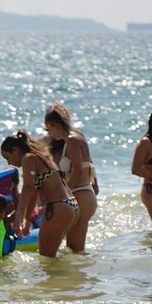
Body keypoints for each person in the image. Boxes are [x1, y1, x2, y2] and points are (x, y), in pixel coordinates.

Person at [7, 130, 76, 257]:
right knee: (53, 256)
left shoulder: (28, 158)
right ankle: (68, 277)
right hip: (70, 205)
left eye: (7, 157)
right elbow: (34, 192)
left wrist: (18, 217)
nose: (8, 163)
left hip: (57, 206)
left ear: (16, 150)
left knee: (46, 258)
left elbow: (27, 187)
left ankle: (59, 277)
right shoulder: (43, 157)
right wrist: (27, 219)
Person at [45, 103, 97, 252]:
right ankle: (76, 275)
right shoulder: (76, 136)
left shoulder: (72, 140)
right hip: (83, 194)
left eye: (49, 129)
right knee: (72, 249)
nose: (49, 134)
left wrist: (62, 194)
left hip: (81, 195)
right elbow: (89, 164)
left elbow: (78, 171)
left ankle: (81, 274)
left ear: (55, 124)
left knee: (75, 249)